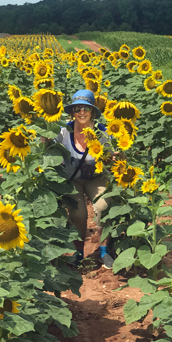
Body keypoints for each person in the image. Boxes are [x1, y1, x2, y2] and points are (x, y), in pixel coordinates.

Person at [55, 89, 114, 269]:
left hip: (95, 178)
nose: (82, 112)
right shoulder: (64, 132)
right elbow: (49, 149)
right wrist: (44, 140)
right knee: (78, 213)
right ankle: (78, 252)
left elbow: (113, 158)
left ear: (93, 112)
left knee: (104, 206)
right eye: (78, 108)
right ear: (72, 112)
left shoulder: (103, 133)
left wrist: (116, 158)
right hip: (72, 179)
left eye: (86, 109)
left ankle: (104, 251)